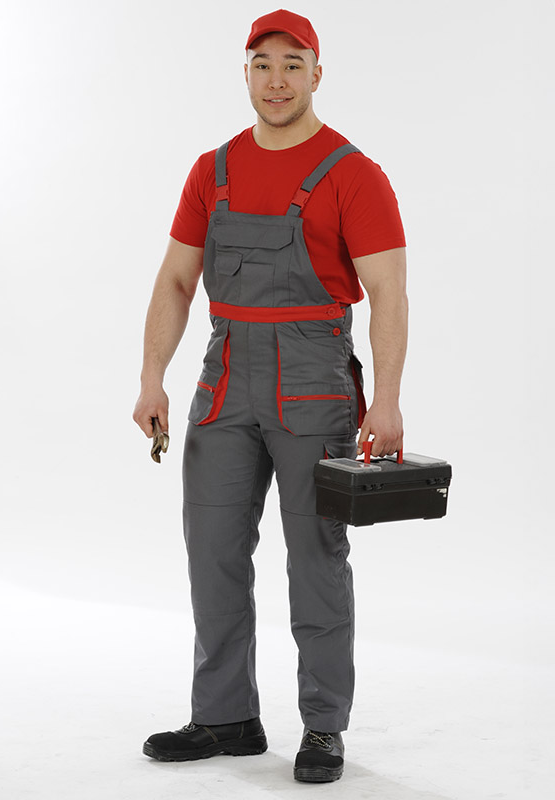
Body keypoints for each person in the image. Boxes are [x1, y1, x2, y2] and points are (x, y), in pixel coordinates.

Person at [133, 9, 408, 784]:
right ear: (246, 73)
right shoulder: (212, 169)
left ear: (317, 73)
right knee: (212, 551)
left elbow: (389, 293)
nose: (277, 80)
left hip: (314, 377)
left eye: (293, 64)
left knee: (316, 557)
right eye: (263, 64)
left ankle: (322, 726)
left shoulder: (353, 173)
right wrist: (152, 376)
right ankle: (226, 716)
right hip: (224, 377)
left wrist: (386, 400)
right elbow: (177, 279)